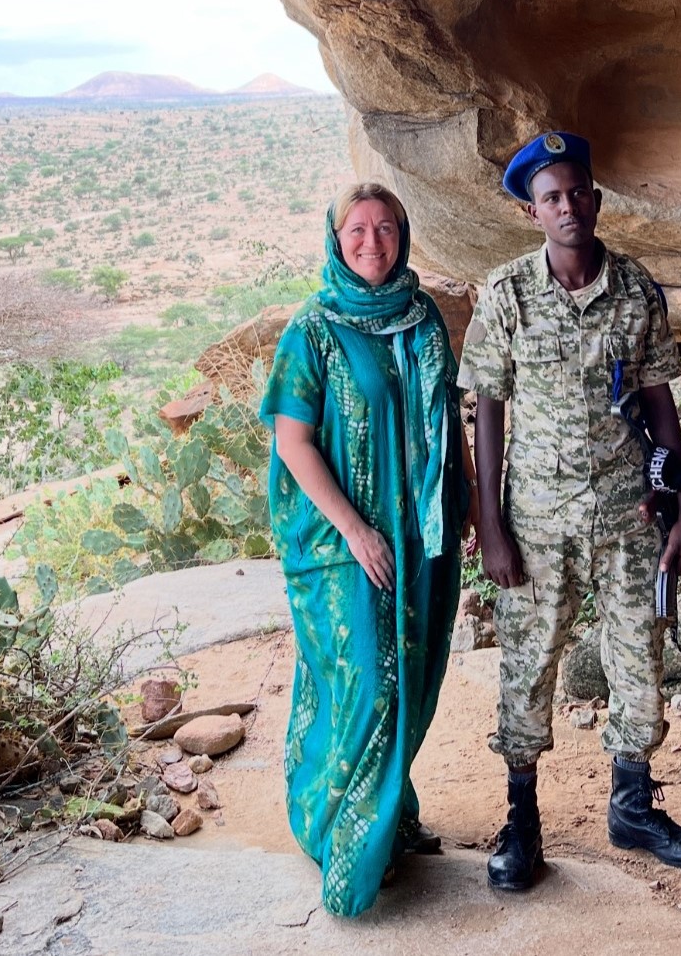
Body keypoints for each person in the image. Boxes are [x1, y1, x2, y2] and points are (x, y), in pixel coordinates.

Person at [457, 130, 681, 892]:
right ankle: (522, 821)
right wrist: (491, 524)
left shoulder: (636, 290)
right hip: (534, 522)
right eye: (550, 198)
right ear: (532, 213)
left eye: (577, 193)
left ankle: (632, 804)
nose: (567, 207)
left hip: (629, 514)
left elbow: (660, 406)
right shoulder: (505, 294)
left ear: (596, 200)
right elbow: (488, 410)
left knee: (639, 651)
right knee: (530, 664)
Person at [260, 182, 473, 917]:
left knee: (412, 674)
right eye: (357, 229)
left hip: (420, 536)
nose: (372, 241)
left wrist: (464, 508)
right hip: (337, 541)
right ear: (335, 238)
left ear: (404, 235)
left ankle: (387, 816)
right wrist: (356, 531)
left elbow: (446, 421)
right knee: (364, 685)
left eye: (386, 227)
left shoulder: (424, 319)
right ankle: (339, 836)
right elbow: (292, 442)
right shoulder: (313, 328)